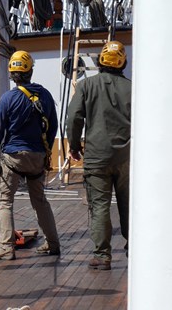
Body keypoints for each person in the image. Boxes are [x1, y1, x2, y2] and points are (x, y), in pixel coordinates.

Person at [66, 40, 131, 271]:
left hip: (96, 157)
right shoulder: (133, 88)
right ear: (123, 62)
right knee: (128, 204)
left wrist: (73, 146)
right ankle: (135, 247)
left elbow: (74, 118)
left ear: (101, 62)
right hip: (126, 157)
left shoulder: (86, 86)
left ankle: (102, 256)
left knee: (100, 205)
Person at [0, 50, 60, 261]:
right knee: (40, 201)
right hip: (37, 156)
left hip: (13, 156)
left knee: (4, 201)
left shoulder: (8, 99)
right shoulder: (45, 95)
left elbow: (0, 130)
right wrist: (46, 150)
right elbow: (53, 126)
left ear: (12, 74)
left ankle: (6, 247)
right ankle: (53, 243)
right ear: (30, 71)